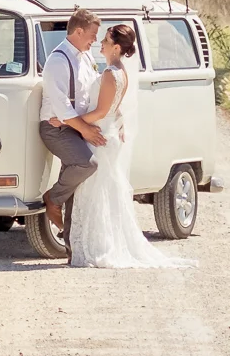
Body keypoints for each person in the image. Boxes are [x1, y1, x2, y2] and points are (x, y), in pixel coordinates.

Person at [69, 23, 189, 269]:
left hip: (100, 135)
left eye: (105, 40)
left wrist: (74, 123)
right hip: (108, 132)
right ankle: (103, 242)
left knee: (97, 189)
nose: (100, 43)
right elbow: (115, 109)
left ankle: (100, 246)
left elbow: (102, 110)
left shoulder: (110, 74)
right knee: (105, 188)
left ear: (115, 47)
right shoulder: (120, 71)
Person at [38, 7, 104, 235]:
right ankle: (53, 198)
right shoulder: (57, 60)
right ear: (78, 31)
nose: (95, 40)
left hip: (73, 126)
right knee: (87, 164)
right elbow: (62, 107)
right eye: (93, 35)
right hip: (55, 129)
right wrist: (85, 130)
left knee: (77, 186)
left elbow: (92, 90)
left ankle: (71, 244)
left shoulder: (86, 56)